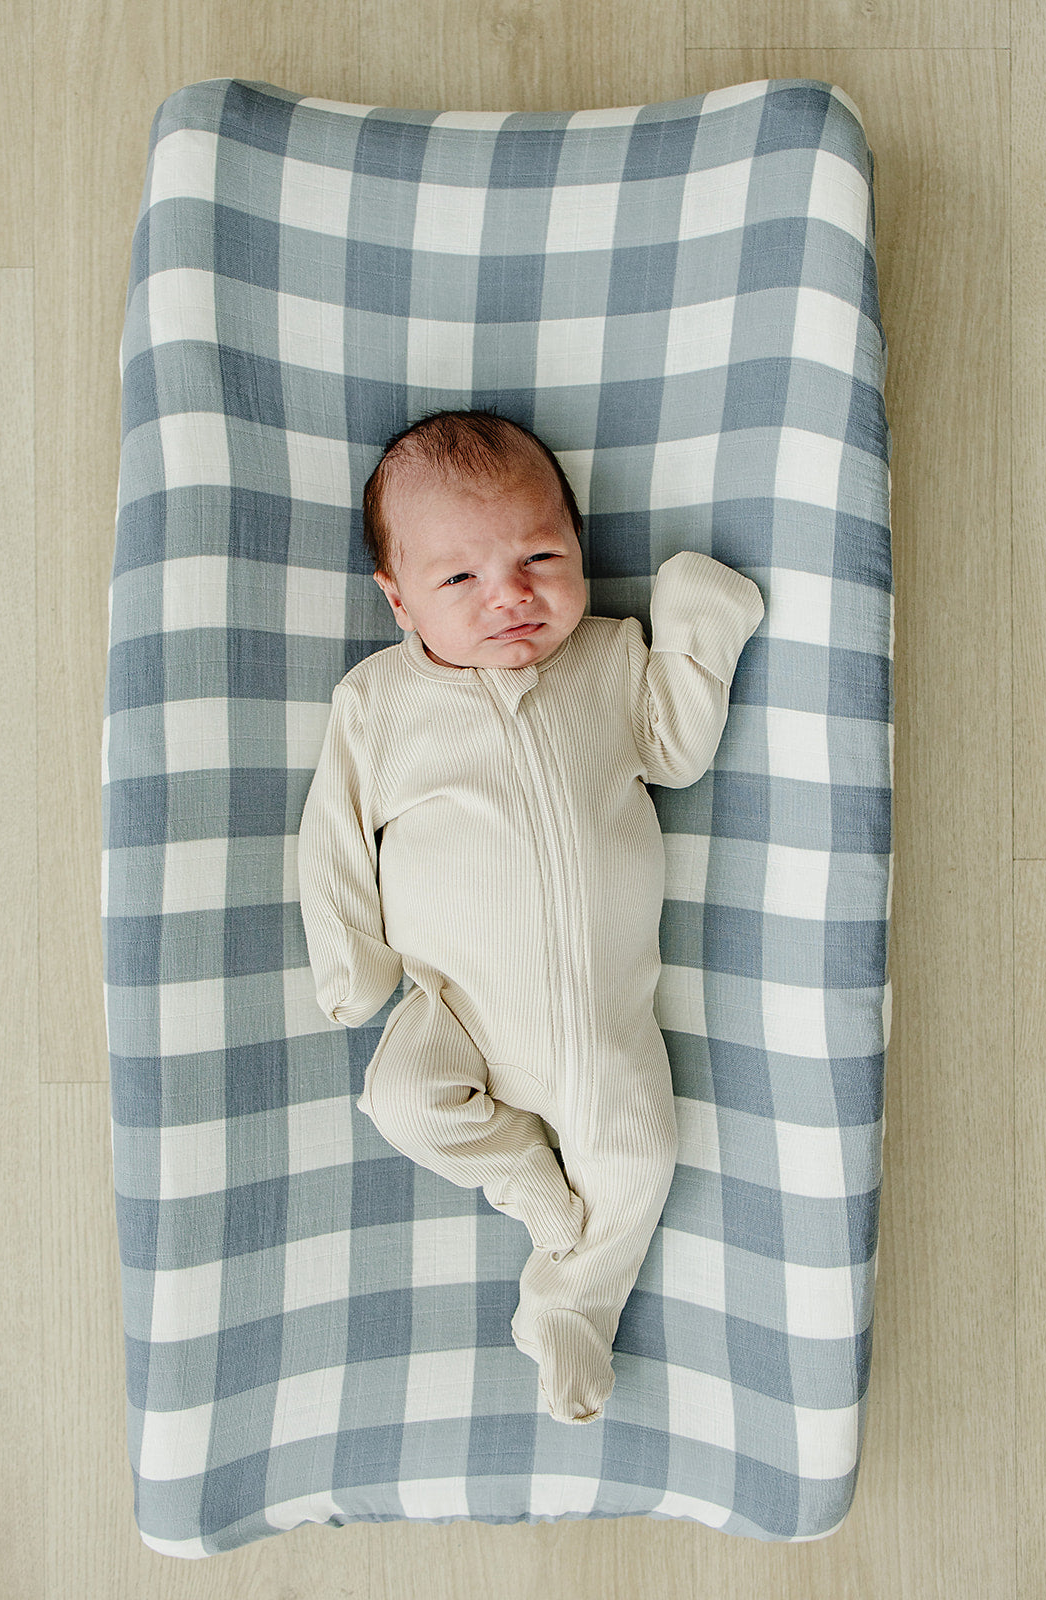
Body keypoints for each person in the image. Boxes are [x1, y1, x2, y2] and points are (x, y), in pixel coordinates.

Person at [297, 410, 764, 1423]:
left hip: (602, 1016)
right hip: (453, 1004)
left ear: (580, 550)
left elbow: (676, 751)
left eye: (541, 555)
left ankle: (572, 1304)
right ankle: (534, 1194)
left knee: (640, 1152)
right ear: (398, 598)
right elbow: (332, 834)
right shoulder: (378, 700)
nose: (510, 593)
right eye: (459, 578)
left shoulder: (604, 656)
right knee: (401, 1101)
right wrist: (351, 961)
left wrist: (697, 625)